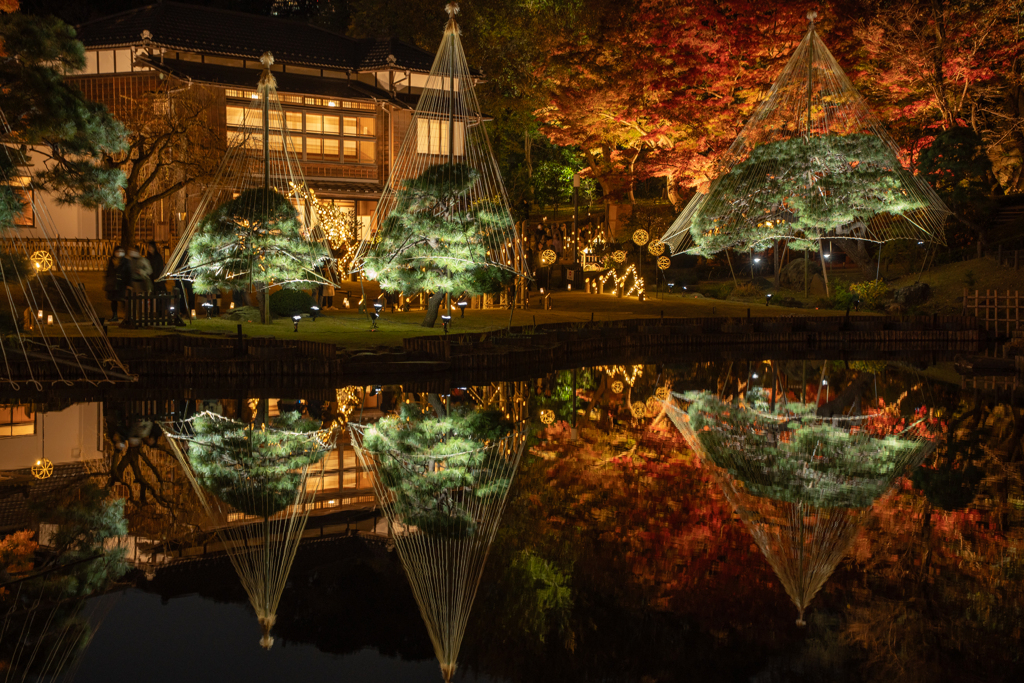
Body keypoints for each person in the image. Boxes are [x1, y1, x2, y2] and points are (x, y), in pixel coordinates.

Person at [104, 248, 131, 322]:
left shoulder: (125, 261)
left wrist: (128, 284)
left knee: (123, 300)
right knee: (113, 300)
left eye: (121, 251)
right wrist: (108, 280)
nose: (119, 253)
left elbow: (128, 273)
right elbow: (108, 272)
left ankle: (127, 316)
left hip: (121, 284)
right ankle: (114, 315)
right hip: (113, 284)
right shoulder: (111, 261)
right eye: (117, 251)